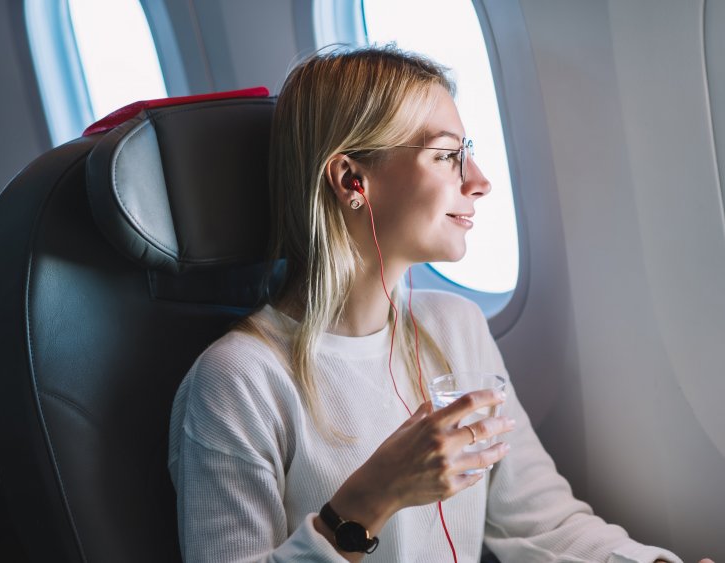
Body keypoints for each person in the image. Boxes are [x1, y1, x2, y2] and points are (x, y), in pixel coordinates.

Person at [168, 45, 711, 562]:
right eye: (448, 156)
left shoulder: (457, 328)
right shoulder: (238, 381)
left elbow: (542, 524)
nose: (479, 182)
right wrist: (371, 499)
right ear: (351, 178)